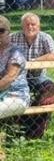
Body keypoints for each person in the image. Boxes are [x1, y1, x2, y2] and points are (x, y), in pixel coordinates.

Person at [12, 12, 54, 138]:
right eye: (27, 24)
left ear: (39, 26)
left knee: (51, 89)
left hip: (38, 76)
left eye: (33, 24)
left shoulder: (45, 37)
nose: (30, 27)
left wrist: (34, 62)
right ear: (22, 26)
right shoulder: (13, 38)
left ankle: (35, 130)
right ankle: (17, 124)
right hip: (17, 76)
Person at [0, 17, 30, 153]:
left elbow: (9, 78)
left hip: (16, 97)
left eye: (1, 31)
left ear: (8, 32)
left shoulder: (16, 52)